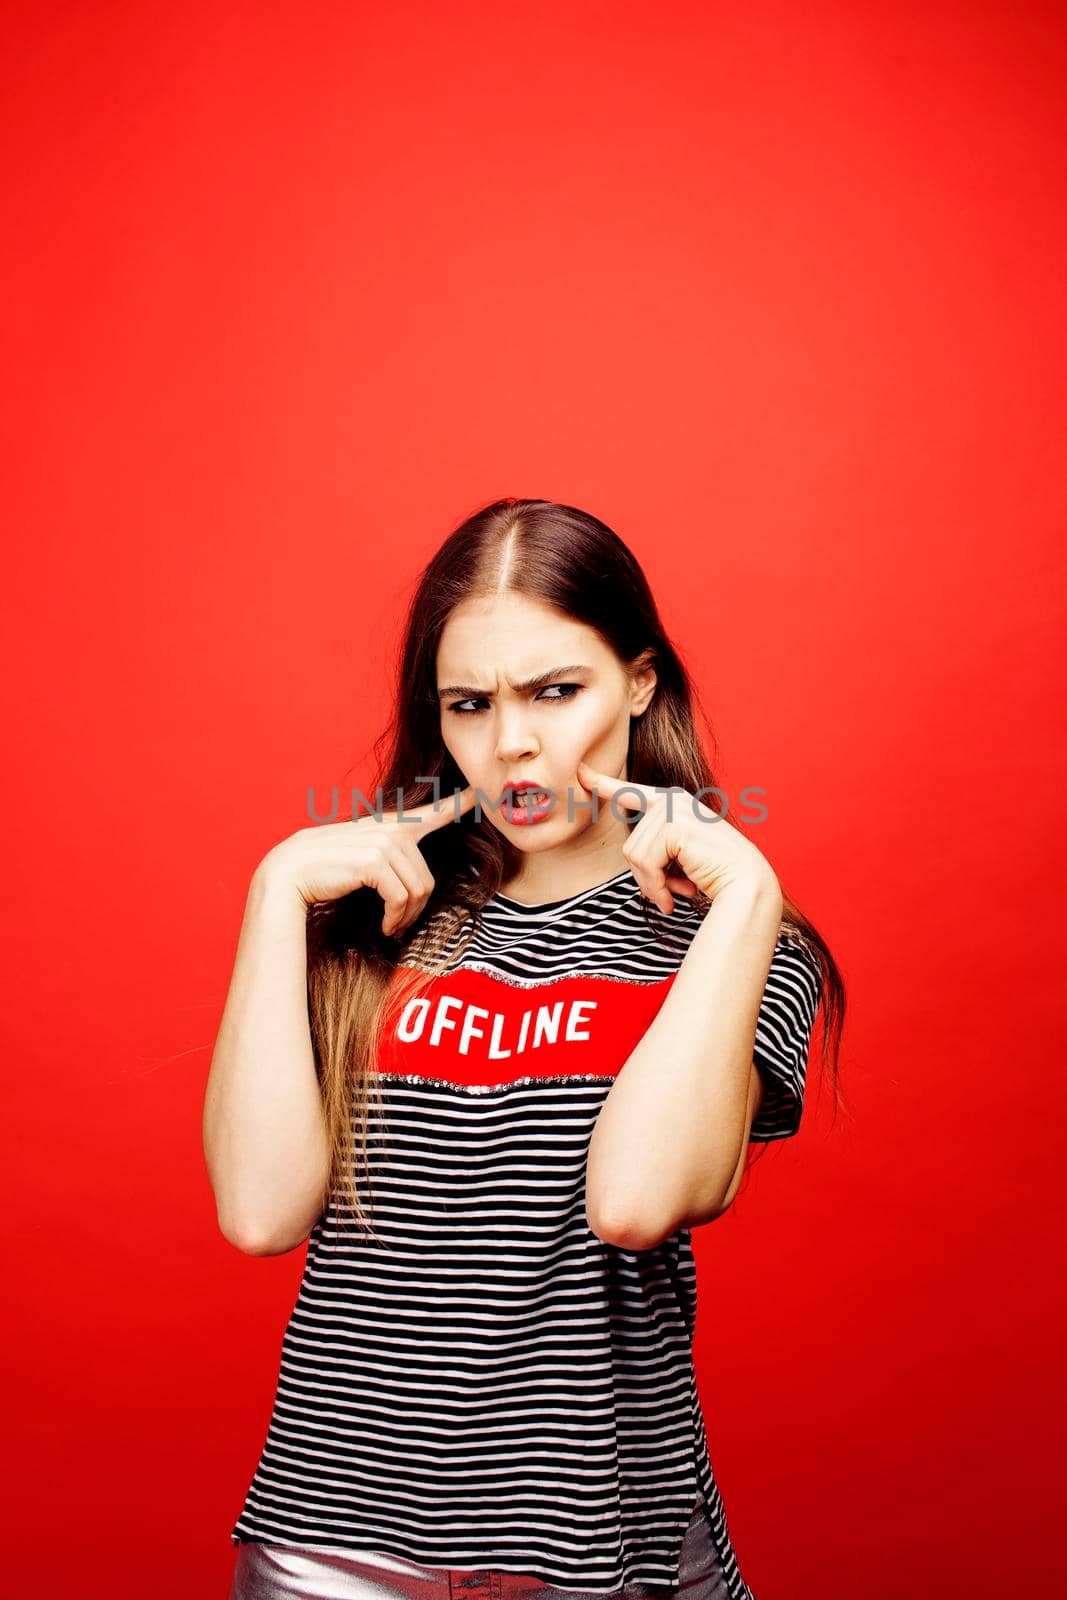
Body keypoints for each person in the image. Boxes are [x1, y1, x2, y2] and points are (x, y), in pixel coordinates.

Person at [204, 497, 846, 1600]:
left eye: (556, 691)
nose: (511, 743)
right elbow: (261, 1211)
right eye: (469, 703)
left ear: (638, 682)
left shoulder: (734, 943)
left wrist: (743, 897)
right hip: (331, 1547)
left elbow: (637, 1201)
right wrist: (274, 894)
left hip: (597, 1549)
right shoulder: (370, 922)